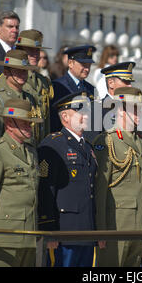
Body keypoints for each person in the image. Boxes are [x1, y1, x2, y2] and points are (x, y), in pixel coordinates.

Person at [0, 98, 43, 267]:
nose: (29, 127)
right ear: (9, 123)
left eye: (30, 123)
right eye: (25, 123)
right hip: (5, 236)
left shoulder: (31, 152)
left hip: (30, 234)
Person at [93, 86, 142, 267]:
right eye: (134, 109)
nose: (139, 114)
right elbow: (100, 190)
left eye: (140, 109)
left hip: (139, 223)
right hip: (116, 224)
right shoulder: (107, 141)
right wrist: (101, 230)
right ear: (120, 109)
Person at [38, 91, 98, 267]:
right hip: (64, 231)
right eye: (80, 111)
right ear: (64, 116)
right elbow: (45, 189)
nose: (86, 115)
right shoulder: (53, 144)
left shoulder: (87, 146)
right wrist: (48, 229)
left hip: (86, 230)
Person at [0, 49, 39, 149]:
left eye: (24, 70)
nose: (22, 74)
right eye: (16, 70)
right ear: (6, 72)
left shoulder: (30, 98)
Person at [15, 29, 54, 143]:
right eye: (29, 51)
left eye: (37, 51)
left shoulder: (43, 81)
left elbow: (46, 119)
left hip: (40, 144)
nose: (34, 55)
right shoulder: (10, 78)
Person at [50, 45, 96, 133]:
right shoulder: (57, 86)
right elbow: (53, 118)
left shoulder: (91, 89)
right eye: (83, 65)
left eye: (89, 65)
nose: (87, 69)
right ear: (70, 63)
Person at [100, 61, 134, 131]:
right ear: (111, 83)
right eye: (126, 81)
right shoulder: (97, 109)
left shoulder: (131, 109)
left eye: (130, 82)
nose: (130, 86)